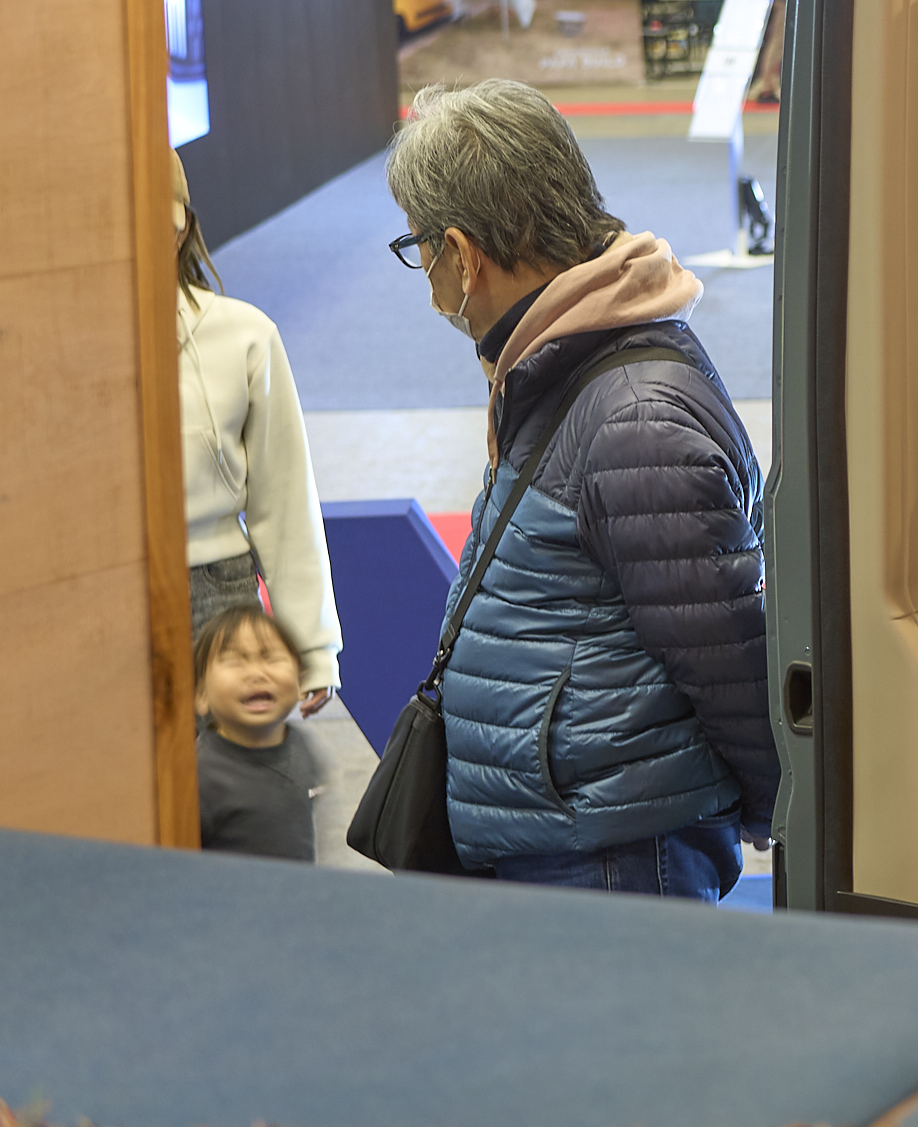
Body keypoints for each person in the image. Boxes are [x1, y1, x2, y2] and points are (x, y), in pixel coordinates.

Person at [387, 80, 776, 897]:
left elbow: (729, 658)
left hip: (613, 853)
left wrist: (784, 809)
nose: (427, 280)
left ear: (462, 252)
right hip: (580, 834)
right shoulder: (562, 364)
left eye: (419, 247)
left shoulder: (630, 415)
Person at [173, 154, 340, 713]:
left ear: (184, 228)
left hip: (219, 594)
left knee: (229, 766)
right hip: (99, 590)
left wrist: (311, 646)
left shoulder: (244, 335)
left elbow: (283, 497)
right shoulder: (66, 341)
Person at [193, 604, 327, 862]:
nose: (256, 674)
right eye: (234, 661)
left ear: (300, 681)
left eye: (271, 658)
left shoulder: (303, 746)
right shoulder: (198, 776)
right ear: (201, 695)